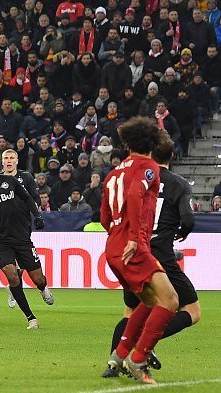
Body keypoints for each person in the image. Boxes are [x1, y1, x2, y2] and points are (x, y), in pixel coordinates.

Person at [102, 130, 200, 378]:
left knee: (133, 310)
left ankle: (114, 362)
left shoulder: (122, 175)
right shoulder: (177, 183)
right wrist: (181, 232)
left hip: (125, 249)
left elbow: (107, 213)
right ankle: (141, 351)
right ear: (173, 155)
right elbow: (188, 219)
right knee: (189, 309)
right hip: (156, 253)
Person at [0, 153, 51, 330]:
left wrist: (37, 216)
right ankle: (31, 318)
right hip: (0, 242)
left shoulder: (11, 182)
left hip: (22, 238)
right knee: (13, 276)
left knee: (38, 278)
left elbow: (28, 198)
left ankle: (43, 288)